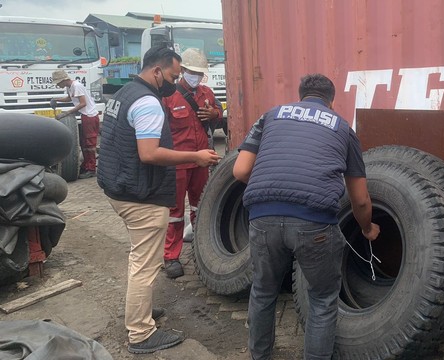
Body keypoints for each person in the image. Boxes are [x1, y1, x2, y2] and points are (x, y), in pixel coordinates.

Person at [233, 73, 380, 359]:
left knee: (263, 292)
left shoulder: (270, 116)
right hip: (314, 223)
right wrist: (367, 229)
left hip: (262, 216)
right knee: (323, 299)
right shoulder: (342, 127)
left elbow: (239, 171)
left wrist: (275, 189)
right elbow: (360, 200)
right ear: (331, 100)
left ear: (300, 95)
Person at [96, 46, 221, 354]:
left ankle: (141, 311)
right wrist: (195, 155)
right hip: (140, 196)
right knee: (145, 264)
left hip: (120, 189)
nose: (175, 81)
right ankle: (140, 334)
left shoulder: (124, 93)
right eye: (173, 75)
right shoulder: (149, 101)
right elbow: (149, 153)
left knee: (139, 258)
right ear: (156, 71)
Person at [162, 48, 221, 279]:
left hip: (202, 161)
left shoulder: (206, 93)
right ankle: (171, 257)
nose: (196, 76)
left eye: (200, 73)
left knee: (200, 206)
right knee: (175, 213)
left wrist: (214, 113)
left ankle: (201, 247)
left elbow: (219, 111)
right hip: (177, 163)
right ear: (183, 70)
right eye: (192, 72)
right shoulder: (169, 96)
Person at [50, 69, 100, 179]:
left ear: (63, 80)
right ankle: (86, 165)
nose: (58, 85)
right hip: (85, 115)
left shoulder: (77, 86)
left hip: (90, 116)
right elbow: (69, 98)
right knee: (83, 143)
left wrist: (67, 113)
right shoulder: (69, 87)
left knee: (89, 144)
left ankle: (91, 169)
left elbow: (83, 103)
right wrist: (56, 99)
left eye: (58, 83)